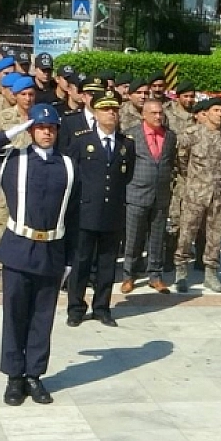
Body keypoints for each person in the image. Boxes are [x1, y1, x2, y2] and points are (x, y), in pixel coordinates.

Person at [0, 104, 78, 406]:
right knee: (15, 315)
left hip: (52, 251)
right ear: (32, 130)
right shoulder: (12, 160)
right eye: (40, 128)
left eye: (51, 128)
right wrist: (10, 133)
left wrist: (69, 260)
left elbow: (74, 214)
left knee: (42, 317)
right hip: (19, 249)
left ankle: (34, 375)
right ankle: (14, 377)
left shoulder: (68, 164)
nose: (46, 132)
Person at [62, 90, 133, 327]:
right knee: (81, 262)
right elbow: (71, 174)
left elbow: (126, 176)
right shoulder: (82, 141)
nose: (111, 114)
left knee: (107, 263)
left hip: (112, 213)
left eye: (114, 109)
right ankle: (76, 308)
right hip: (85, 212)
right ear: (96, 112)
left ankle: (102, 307)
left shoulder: (125, 145)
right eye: (105, 109)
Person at [173, 96, 221, 292]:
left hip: (218, 194)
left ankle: (211, 273)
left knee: (215, 235)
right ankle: (181, 272)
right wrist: (194, 180)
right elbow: (181, 160)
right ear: (206, 113)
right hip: (195, 192)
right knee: (186, 232)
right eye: (216, 111)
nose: (219, 115)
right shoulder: (192, 134)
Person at [122, 97, 176, 294]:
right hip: (137, 193)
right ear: (143, 115)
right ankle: (129, 275)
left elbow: (171, 163)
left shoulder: (170, 136)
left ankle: (155, 275)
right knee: (133, 237)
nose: (158, 116)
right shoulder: (131, 136)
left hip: (160, 195)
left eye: (160, 112)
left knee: (157, 237)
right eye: (153, 113)